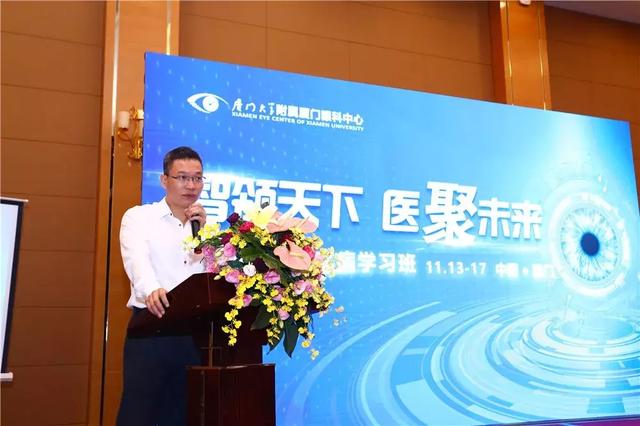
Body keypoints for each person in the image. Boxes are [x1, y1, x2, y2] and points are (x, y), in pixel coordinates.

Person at [117, 146, 207, 425]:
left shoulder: (206, 228)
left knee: (183, 415)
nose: (191, 185)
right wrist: (151, 289)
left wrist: (207, 238)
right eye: (183, 177)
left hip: (195, 336)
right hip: (151, 326)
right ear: (164, 180)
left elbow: (212, 279)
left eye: (197, 178)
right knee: (139, 415)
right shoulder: (139, 217)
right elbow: (136, 261)